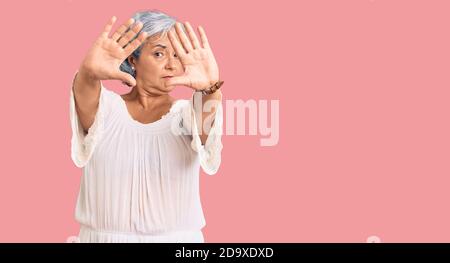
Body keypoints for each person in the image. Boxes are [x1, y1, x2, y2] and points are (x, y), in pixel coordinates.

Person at [69, 10, 224, 243]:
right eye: (160, 53)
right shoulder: (106, 109)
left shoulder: (185, 115)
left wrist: (211, 88)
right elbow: (85, 91)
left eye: (177, 55)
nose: (172, 65)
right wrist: (88, 73)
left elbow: (205, 121)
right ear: (133, 59)